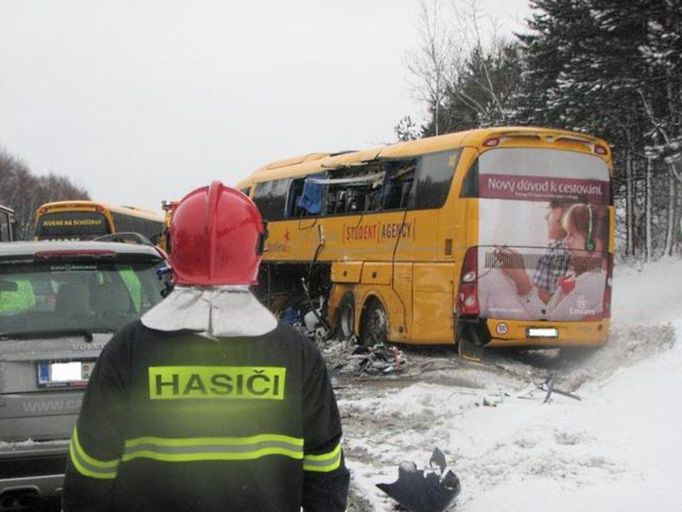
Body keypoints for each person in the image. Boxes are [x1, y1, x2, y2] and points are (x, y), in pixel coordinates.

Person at [62, 182, 350, 512]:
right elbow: (325, 470)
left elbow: (90, 473)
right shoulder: (296, 353)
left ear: (174, 247)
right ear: (256, 250)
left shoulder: (128, 349)